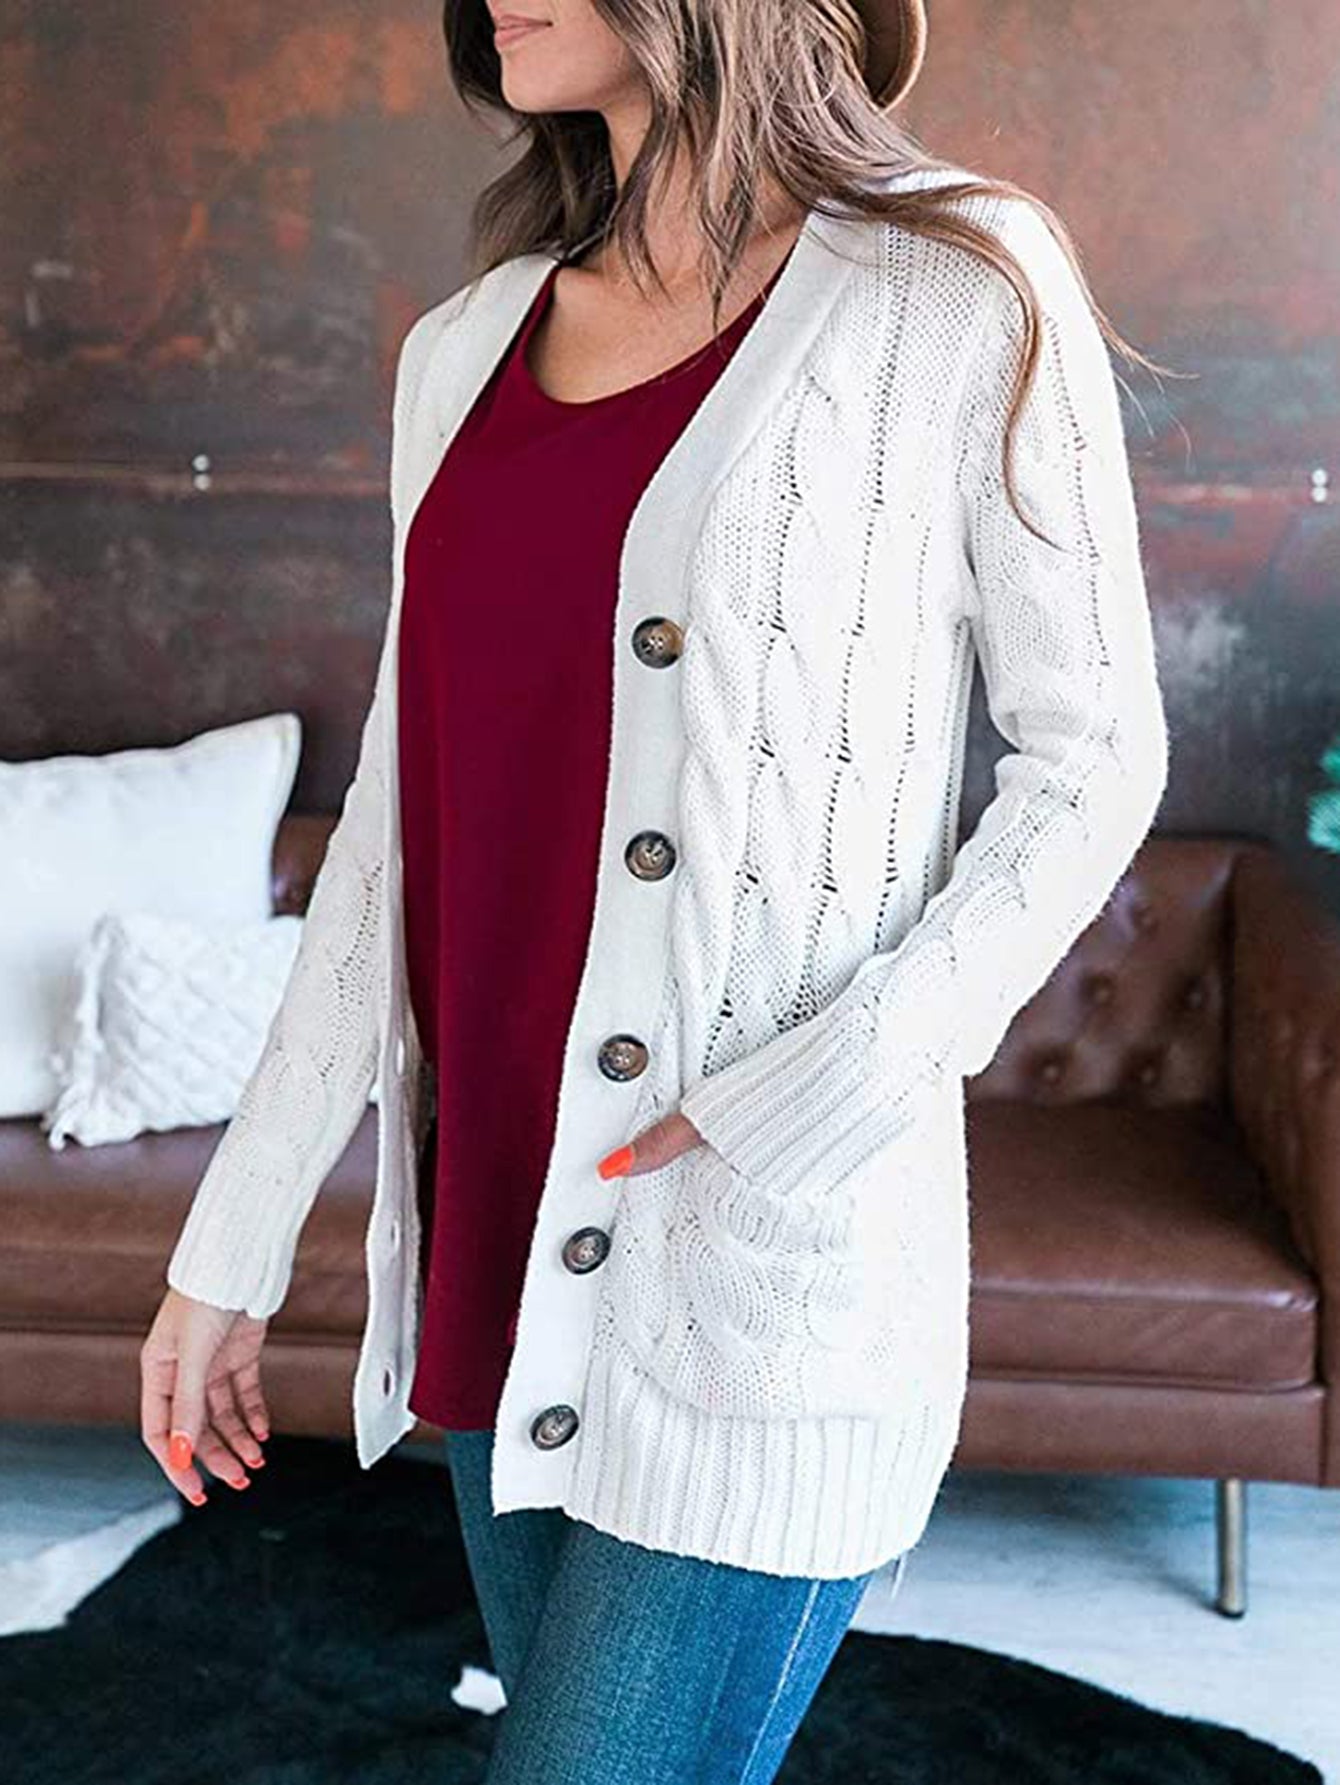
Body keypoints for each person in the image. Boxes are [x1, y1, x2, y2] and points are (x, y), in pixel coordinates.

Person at [140, 2, 1171, 1777]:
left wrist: (840, 1082)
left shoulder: (959, 286)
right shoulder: (463, 348)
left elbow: (1095, 758)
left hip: (750, 1258)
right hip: (494, 1231)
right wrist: (233, 1241)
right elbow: (394, 824)